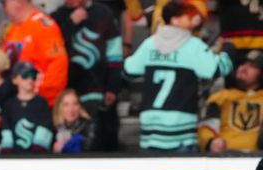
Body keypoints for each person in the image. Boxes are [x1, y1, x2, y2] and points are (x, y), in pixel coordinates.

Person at [123, 0, 233, 152]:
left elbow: (128, 70)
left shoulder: (150, 44)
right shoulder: (192, 45)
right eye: (187, 15)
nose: (192, 18)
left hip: (150, 127)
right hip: (181, 128)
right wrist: (228, 49)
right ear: (174, 20)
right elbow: (217, 69)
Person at [51, 0, 122, 151]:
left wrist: (113, 87)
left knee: (100, 136)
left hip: (97, 86)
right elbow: (52, 47)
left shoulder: (103, 13)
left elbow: (115, 54)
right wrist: (71, 23)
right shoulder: (57, 17)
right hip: (68, 88)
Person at [0, 0, 69, 107]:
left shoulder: (43, 26)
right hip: (17, 100)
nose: (3, 9)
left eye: (4, 3)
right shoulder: (14, 29)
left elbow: (58, 65)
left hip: (40, 103)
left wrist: (41, 96)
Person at [199, 51, 263, 153]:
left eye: (252, 66)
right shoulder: (221, 97)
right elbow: (206, 127)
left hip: (258, 158)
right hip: (224, 158)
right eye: (242, 64)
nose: (244, 68)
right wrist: (211, 142)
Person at [0, 60, 54, 152]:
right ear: (14, 79)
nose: (30, 79)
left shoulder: (42, 103)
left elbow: (45, 130)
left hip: (36, 159)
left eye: (33, 76)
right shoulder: (9, 105)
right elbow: (6, 132)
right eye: (25, 76)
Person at [52, 88, 95, 152]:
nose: (71, 109)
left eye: (75, 104)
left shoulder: (90, 126)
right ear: (59, 108)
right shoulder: (56, 129)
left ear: (80, 107)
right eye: (66, 105)